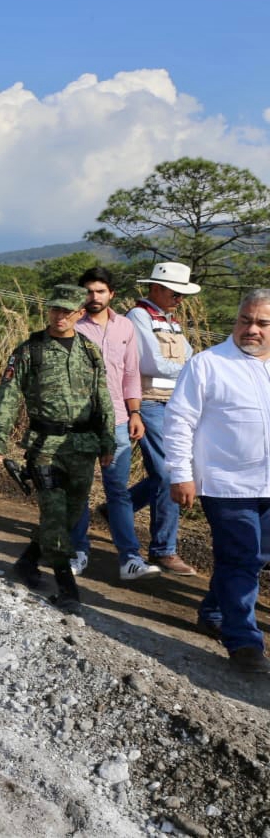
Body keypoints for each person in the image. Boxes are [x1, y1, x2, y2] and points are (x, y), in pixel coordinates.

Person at [0, 284, 115, 613]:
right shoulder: (32, 350)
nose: (60, 317)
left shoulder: (89, 351)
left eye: (67, 311)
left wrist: (107, 440)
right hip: (44, 446)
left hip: (83, 446)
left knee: (71, 516)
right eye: (55, 310)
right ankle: (67, 588)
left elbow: (103, 398)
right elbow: (8, 395)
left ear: (80, 313)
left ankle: (27, 563)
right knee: (55, 516)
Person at [164, 289, 270, 674]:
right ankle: (244, 642)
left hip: (269, 486)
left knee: (255, 558)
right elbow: (179, 422)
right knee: (240, 558)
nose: (251, 329)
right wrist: (181, 474)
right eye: (245, 320)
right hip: (226, 485)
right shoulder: (207, 364)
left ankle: (212, 610)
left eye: (262, 323)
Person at [69, 268, 160, 580]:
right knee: (78, 489)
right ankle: (78, 550)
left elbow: (130, 373)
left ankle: (130, 559)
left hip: (119, 422)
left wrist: (135, 413)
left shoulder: (125, 327)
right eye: (89, 291)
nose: (94, 297)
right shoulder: (71, 325)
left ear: (111, 294)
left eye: (100, 291)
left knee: (117, 491)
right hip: (79, 422)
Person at [126, 262, 201, 576]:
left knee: (165, 472)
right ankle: (164, 550)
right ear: (155, 288)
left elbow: (191, 355)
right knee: (171, 472)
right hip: (152, 403)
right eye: (175, 292)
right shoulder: (139, 317)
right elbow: (151, 362)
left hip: (176, 405)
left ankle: (119, 509)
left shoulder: (170, 322)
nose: (179, 299)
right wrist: (191, 369)